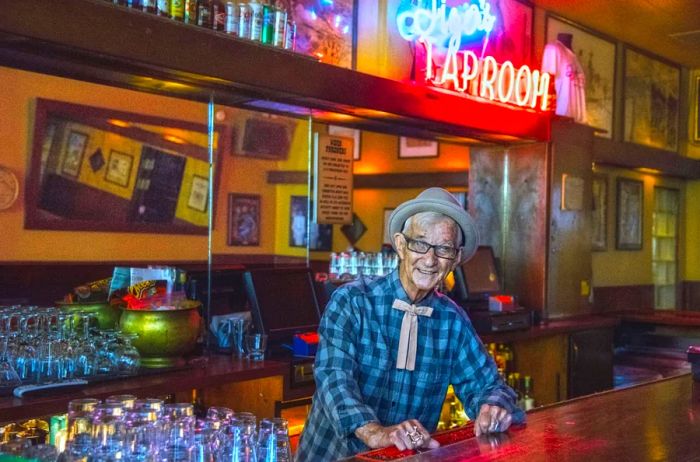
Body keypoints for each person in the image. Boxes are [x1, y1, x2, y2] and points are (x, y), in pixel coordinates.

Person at [296, 188, 524, 461]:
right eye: (420, 244)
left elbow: (489, 386)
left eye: (444, 249)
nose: (430, 260)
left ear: (455, 258)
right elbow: (334, 379)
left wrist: (492, 406)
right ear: (401, 245)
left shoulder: (452, 321)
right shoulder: (352, 302)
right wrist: (377, 433)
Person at [541, 32, 587, 123]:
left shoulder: (574, 58)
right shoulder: (553, 49)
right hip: (560, 117)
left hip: (577, 121)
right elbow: (547, 81)